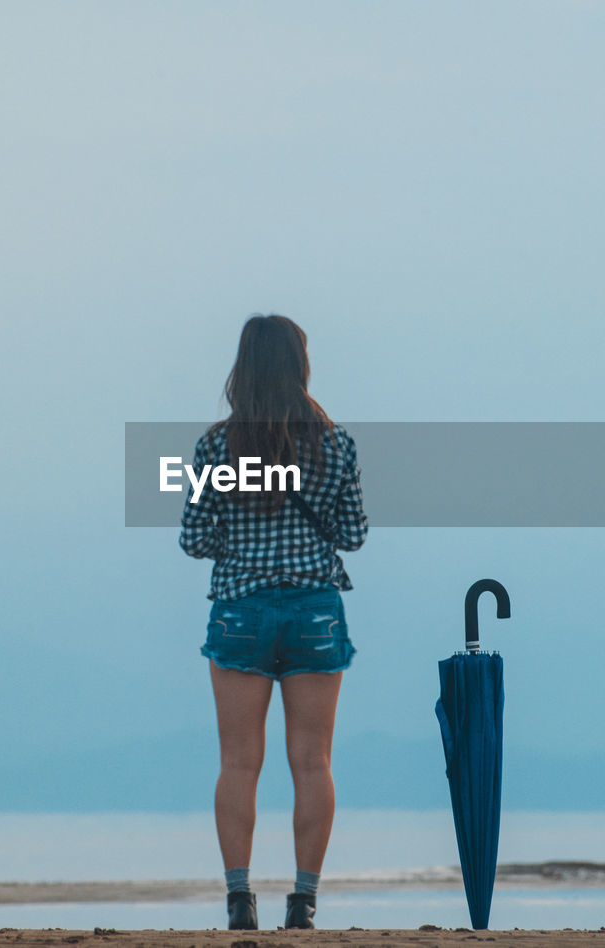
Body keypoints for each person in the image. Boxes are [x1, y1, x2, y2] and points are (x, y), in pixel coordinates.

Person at [179, 314, 368, 931]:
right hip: (314, 610)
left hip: (241, 613)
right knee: (312, 762)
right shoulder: (336, 443)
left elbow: (193, 538)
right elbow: (355, 535)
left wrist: (241, 539)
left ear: (244, 367)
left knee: (239, 764)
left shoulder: (214, 447)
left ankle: (239, 900)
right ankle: (304, 902)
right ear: (300, 364)